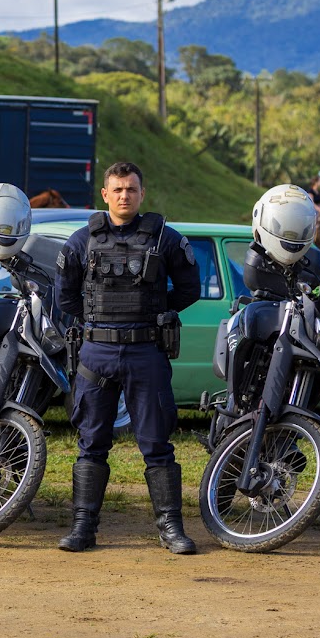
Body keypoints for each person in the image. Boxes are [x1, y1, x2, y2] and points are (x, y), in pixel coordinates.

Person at [56, 162, 202, 554]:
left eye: (131, 189)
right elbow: (65, 295)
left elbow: (189, 288)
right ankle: (83, 528)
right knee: (92, 443)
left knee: (157, 444)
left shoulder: (165, 239)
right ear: (104, 195)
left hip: (145, 351)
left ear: (142, 194)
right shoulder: (81, 241)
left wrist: (153, 311)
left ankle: (170, 529)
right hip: (96, 352)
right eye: (117, 189)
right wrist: (95, 323)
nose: (124, 196)